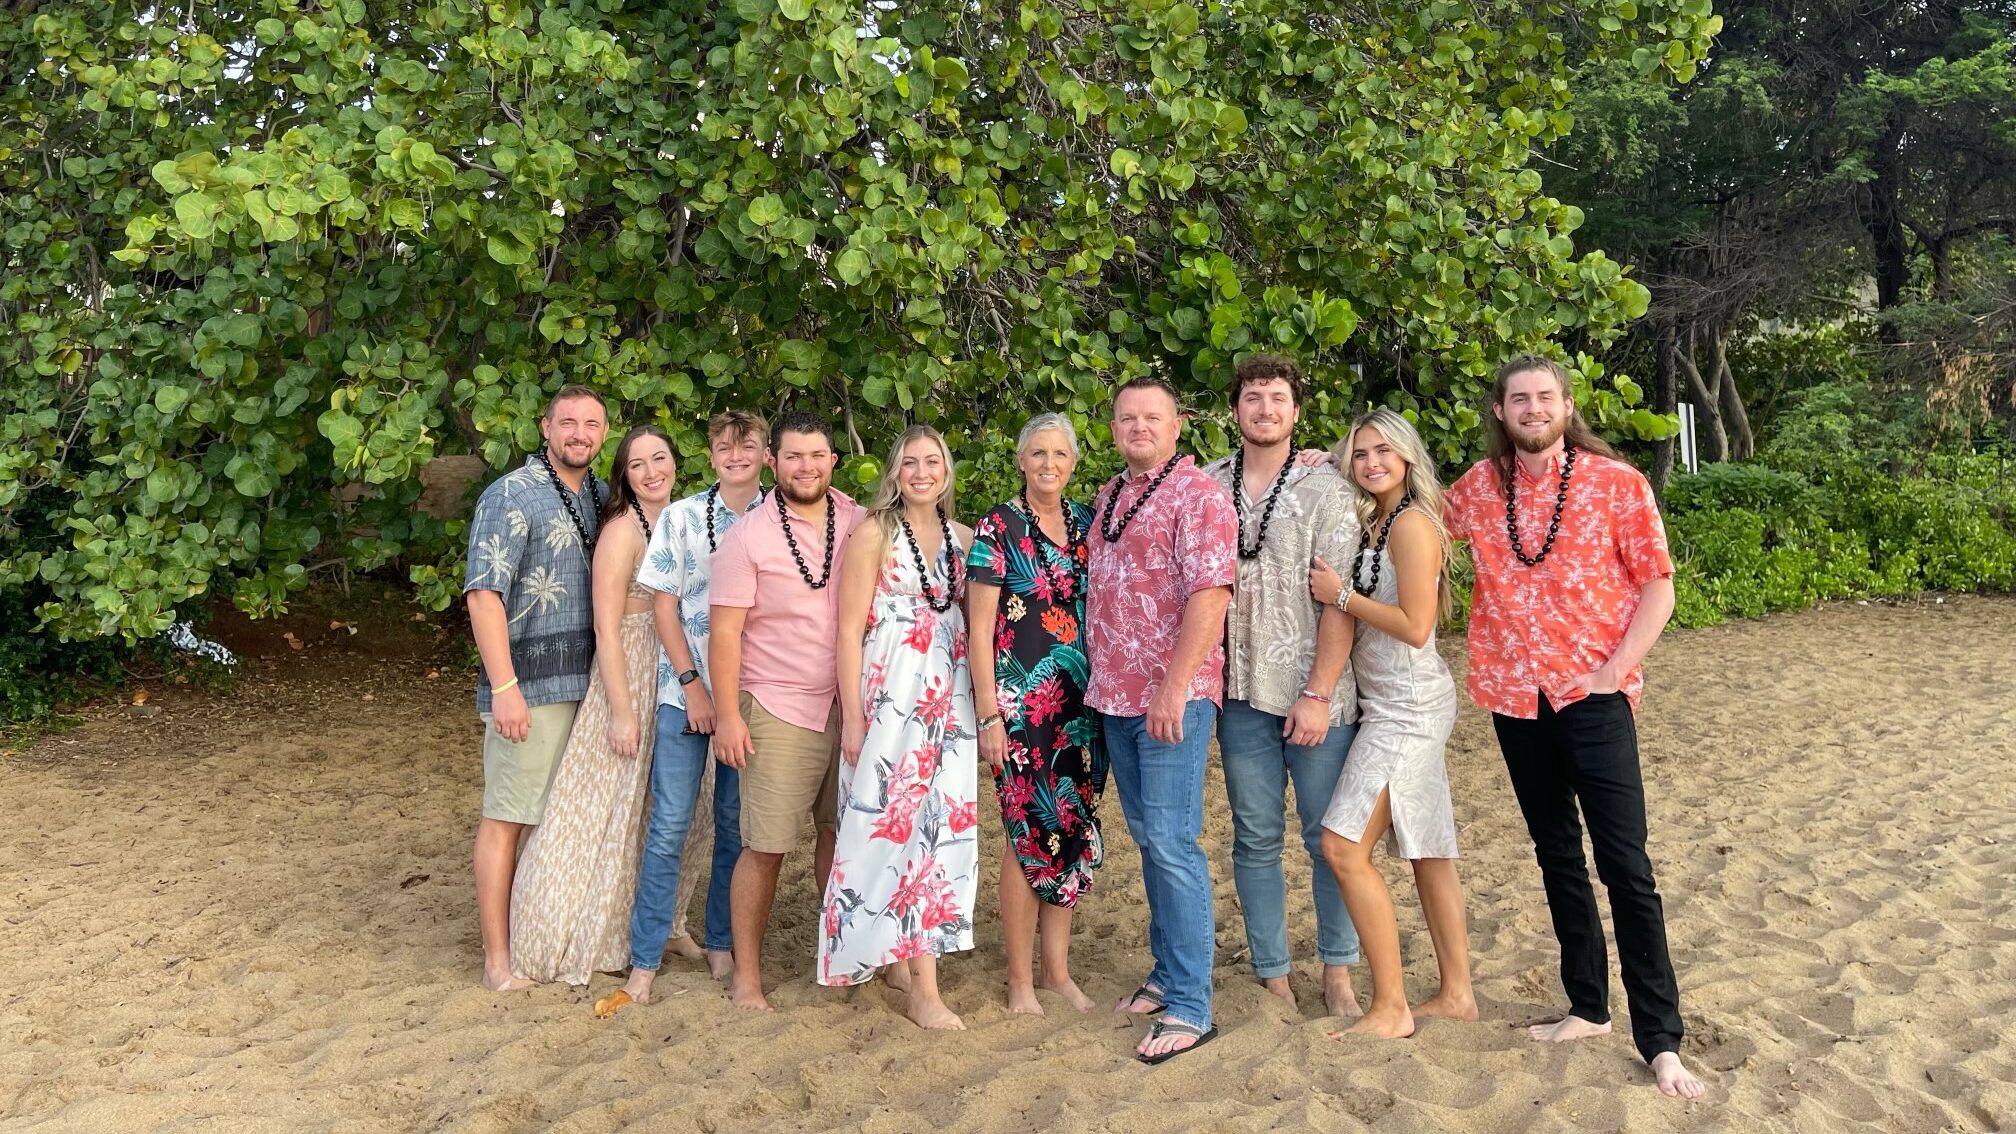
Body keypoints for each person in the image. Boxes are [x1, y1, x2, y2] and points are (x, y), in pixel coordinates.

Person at [1442, 355, 1705, 1099]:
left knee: (1626, 866)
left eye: (1545, 397)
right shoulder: (1476, 490)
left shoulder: (1617, 484)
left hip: (1593, 696)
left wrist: (1614, 670)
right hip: (1513, 698)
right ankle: (1588, 1006)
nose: (1532, 408)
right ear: (1500, 411)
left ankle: (1661, 1040)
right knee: (1556, 854)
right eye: (1519, 399)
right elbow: (1411, 519)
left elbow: (1658, 586)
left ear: (1566, 405)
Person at [1203, 356, 1364, 1017]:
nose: (1264, 409)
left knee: (1329, 840)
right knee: (1255, 837)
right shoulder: (1208, 484)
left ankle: (1338, 972)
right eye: (1252, 397)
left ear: (1296, 410)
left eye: (1276, 398)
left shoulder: (1329, 488)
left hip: (1317, 694)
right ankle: (1272, 972)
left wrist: (1319, 692)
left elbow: (1340, 602)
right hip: (1241, 695)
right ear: (1235, 410)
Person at [1307, 409, 1476, 1040]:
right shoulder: (1376, 519)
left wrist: (1341, 596)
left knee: (1343, 847)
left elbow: (1416, 625)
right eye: (1360, 453)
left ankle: (1390, 1007)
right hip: (1392, 701)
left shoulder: (1410, 524)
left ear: (1407, 456)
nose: (1372, 462)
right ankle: (1457, 994)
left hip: (1409, 706)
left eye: (1383, 450)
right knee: (1429, 850)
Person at [599, 412, 771, 1017]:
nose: (735, 456)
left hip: (752, 698)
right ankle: (645, 961)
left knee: (733, 824)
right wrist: (692, 685)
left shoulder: (780, 518)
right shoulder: (682, 517)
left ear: (766, 453)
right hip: (685, 694)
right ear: (710, 454)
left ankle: (721, 943)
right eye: (724, 447)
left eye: (747, 446)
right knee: (669, 824)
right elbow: (664, 607)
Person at [1088, 377, 1237, 1063]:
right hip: (1115, 697)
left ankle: (1191, 1005)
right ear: (1114, 428)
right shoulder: (1110, 497)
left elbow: (1211, 596)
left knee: (1174, 843)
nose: (1139, 427)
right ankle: (1167, 970)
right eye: (1127, 418)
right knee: (1150, 840)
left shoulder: (1198, 496)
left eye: (1153, 417)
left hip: (1170, 698)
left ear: (1178, 426)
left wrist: (1174, 689)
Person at [819, 426, 980, 1029]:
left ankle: (915, 975)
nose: (921, 472)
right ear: (894, 471)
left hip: (949, 699)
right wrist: (853, 717)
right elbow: (847, 630)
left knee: (938, 828)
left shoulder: (965, 539)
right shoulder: (873, 534)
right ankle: (918, 988)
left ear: (947, 470)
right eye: (909, 462)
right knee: (889, 826)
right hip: (891, 698)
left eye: (932, 461)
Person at [509, 425, 679, 985]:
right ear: (624, 476)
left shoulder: (678, 519)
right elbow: (607, 627)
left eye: (660, 459)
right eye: (638, 464)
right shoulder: (622, 530)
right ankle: (554, 933)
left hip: (669, 669)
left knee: (646, 812)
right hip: (626, 668)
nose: (651, 472)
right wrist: (621, 711)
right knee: (598, 806)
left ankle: (639, 927)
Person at [710, 411, 862, 1012]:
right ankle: (747, 976)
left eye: (817, 455)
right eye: (794, 456)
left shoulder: (858, 521)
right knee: (766, 847)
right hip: (777, 705)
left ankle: (841, 955)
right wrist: (728, 715)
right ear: (773, 461)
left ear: (833, 460)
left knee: (840, 837)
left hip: (849, 706)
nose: (807, 467)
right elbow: (725, 632)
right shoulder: (747, 537)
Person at [463, 386, 609, 991]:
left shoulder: (601, 496)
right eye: (568, 422)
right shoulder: (511, 495)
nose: (580, 433)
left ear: (604, 433)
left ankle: (536, 938)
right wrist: (505, 687)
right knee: (508, 816)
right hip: (529, 687)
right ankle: (497, 961)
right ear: (545, 427)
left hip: (587, 686)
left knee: (553, 821)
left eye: (592, 424)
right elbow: (483, 595)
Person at [967, 413, 1105, 1016]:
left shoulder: (1087, 523)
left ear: (1074, 462)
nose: (1049, 463)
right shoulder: (998, 527)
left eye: (1060, 454)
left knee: (1069, 828)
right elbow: (977, 630)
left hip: (1082, 709)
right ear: (1022, 460)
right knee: (1026, 835)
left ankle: (1056, 972)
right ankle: (1020, 981)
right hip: (1021, 711)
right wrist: (988, 716)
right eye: (1038, 453)